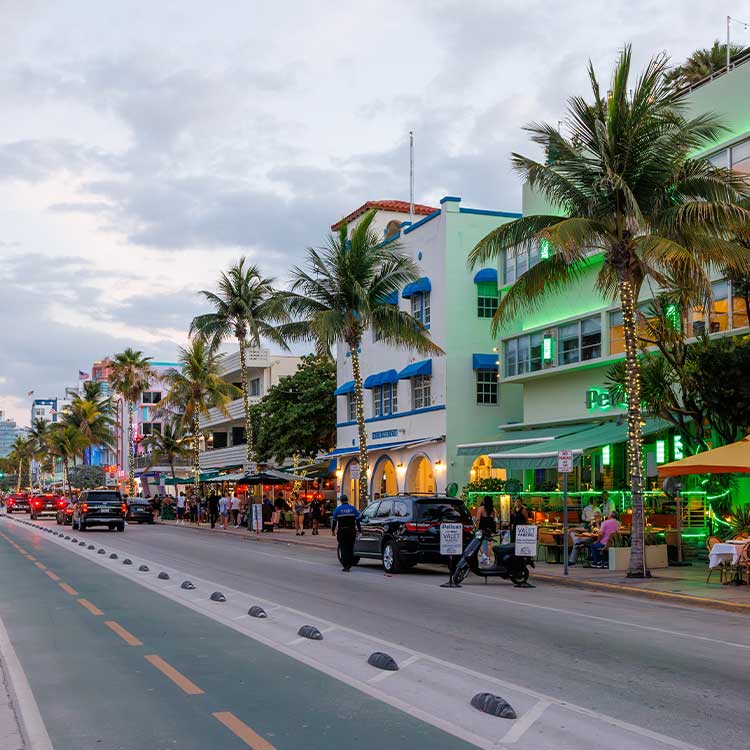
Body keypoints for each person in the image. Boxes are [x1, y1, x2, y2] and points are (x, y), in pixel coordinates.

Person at [331, 494, 362, 572]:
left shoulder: (338, 509)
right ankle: (350, 564)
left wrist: (333, 530)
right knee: (350, 547)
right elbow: (358, 521)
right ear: (347, 500)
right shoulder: (353, 508)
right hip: (351, 531)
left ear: (341, 501)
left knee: (343, 547)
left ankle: (345, 565)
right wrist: (360, 531)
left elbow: (334, 521)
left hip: (342, 531)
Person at [475, 495, 497, 565]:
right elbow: (495, 519)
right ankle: (487, 558)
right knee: (489, 543)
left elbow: (478, 519)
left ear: (484, 501)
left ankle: (484, 556)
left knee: (479, 542)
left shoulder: (481, 508)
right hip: (490, 527)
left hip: (482, 527)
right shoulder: (493, 509)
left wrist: (476, 527)